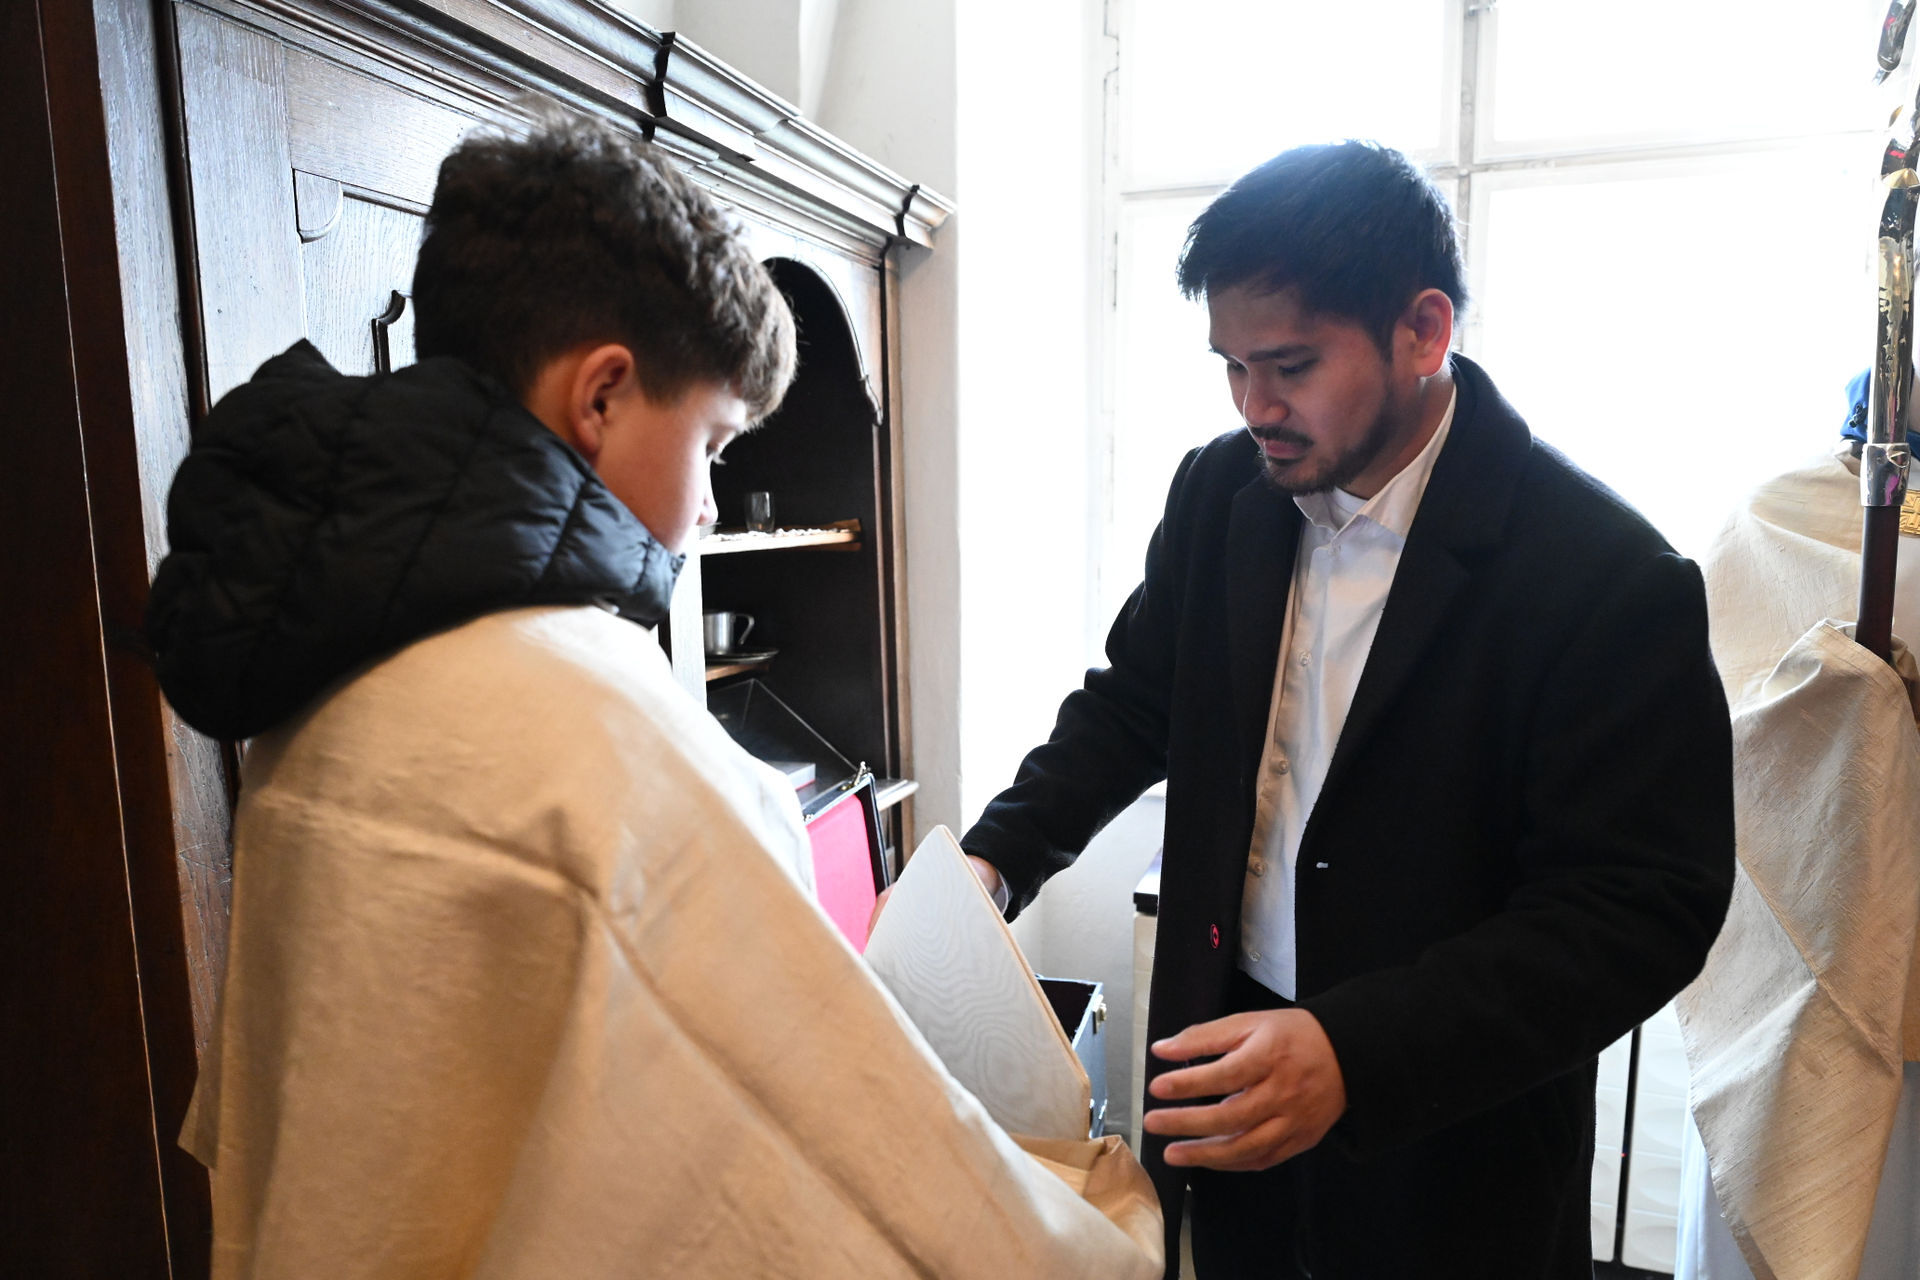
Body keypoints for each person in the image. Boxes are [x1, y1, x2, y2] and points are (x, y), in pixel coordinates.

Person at [148, 111, 1160, 1279]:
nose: (713, 505)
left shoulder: (326, 688)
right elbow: (834, 1168)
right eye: (714, 445)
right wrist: (1096, 1237)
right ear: (604, 396)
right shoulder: (604, 723)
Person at [958, 141, 1736, 1278]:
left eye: (1290, 365)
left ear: (1423, 330)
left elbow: (1640, 906)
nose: (1254, 406)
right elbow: (1134, 703)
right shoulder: (1220, 493)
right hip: (1225, 1076)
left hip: (1450, 1138)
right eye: (1231, 366)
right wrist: (995, 860)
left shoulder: (1604, 575)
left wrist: (1355, 1052)